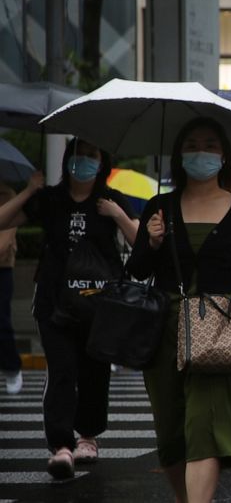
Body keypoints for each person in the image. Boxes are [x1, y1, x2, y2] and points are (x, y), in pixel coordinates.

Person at [128, 118, 231, 503]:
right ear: (179, 155)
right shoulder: (160, 207)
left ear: (224, 156)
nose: (201, 152)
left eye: (210, 144)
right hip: (164, 329)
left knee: (204, 427)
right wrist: (152, 242)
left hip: (216, 326)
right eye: (192, 144)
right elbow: (137, 270)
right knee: (172, 431)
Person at [0, 139, 138, 479]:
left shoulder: (110, 200)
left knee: (95, 372)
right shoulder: (50, 200)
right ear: (67, 160)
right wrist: (30, 190)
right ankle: (61, 446)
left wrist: (118, 215)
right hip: (54, 302)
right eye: (78, 154)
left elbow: (140, 242)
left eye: (92, 155)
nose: (83, 161)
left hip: (100, 304)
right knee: (61, 370)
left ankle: (87, 437)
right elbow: (3, 219)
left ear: (102, 161)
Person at [0, 183, 22, 395]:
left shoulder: (7, 195)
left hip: (2, 268)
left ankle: (11, 368)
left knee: (2, 324)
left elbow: (4, 243)